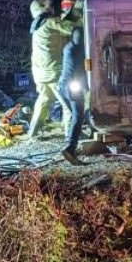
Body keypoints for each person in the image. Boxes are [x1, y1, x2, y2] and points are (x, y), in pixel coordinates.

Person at [26, 0, 78, 140]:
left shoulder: (36, 25)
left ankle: (32, 133)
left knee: (43, 101)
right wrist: (75, 15)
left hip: (40, 72)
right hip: (54, 72)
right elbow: (72, 29)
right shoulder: (51, 22)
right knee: (68, 105)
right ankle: (71, 135)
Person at [58, 24, 88, 165]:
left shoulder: (73, 47)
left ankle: (72, 145)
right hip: (70, 85)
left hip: (66, 85)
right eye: (77, 36)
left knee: (78, 117)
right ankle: (70, 148)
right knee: (78, 116)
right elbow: (72, 71)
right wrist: (76, 88)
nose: (79, 38)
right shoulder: (73, 49)